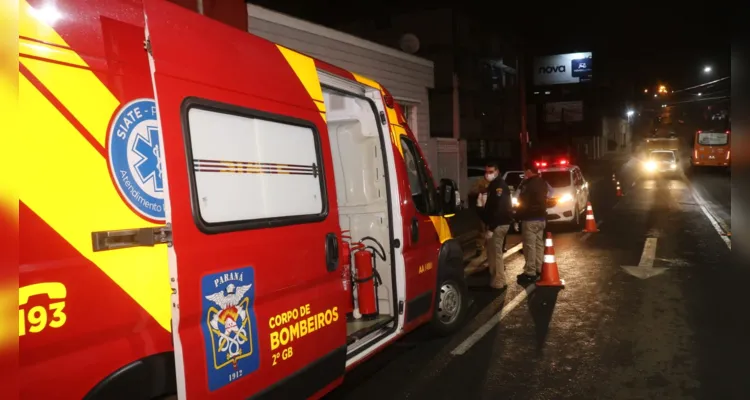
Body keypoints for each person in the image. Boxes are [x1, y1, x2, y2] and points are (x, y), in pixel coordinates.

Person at [480, 163, 513, 290]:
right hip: (496, 224)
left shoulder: (499, 186)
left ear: (497, 171)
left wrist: (492, 228)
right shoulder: (493, 185)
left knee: (496, 253)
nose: (488, 174)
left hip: (499, 224)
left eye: (491, 171)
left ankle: (499, 280)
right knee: (492, 253)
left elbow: (499, 208)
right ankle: (495, 279)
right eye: (487, 171)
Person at [514, 162, 549, 284]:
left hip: (529, 219)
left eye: (525, 171)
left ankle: (530, 272)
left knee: (529, 246)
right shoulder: (542, 182)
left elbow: (523, 202)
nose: (524, 174)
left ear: (529, 171)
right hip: (541, 219)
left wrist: (517, 216)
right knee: (539, 244)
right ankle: (539, 268)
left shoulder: (528, 185)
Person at [469, 174, 490, 258]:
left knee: (493, 231)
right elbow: (472, 191)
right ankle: (479, 247)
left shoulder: (496, 182)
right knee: (481, 230)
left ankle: (492, 248)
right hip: (482, 210)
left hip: (492, 211)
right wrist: (481, 190)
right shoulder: (480, 181)